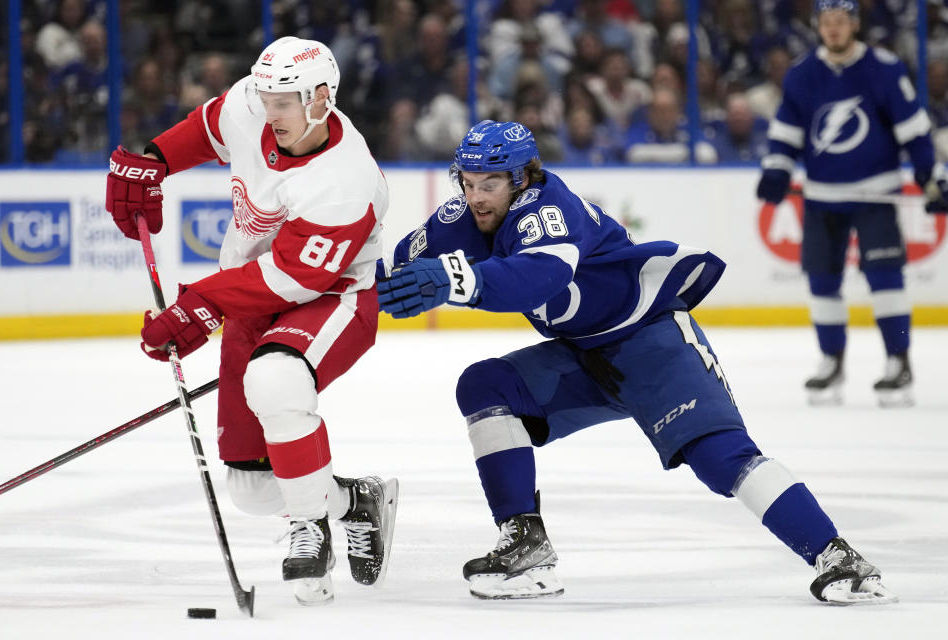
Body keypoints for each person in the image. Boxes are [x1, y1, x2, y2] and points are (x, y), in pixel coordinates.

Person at [377, 119, 896, 605]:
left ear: (522, 179)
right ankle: (525, 547)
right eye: (465, 182)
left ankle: (839, 557)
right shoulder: (464, 215)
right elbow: (395, 269)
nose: (474, 198)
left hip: (653, 345)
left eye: (488, 184)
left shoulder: (548, 207)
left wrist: (456, 281)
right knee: (485, 387)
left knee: (721, 459)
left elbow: (540, 277)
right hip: (584, 356)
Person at [104, 36, 398, 605]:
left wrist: (202, 301)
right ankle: (355, 501)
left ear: (320, 98)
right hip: (251, 299)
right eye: (265, 98)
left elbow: (295, 277)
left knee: (276, 378)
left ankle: (309, 530)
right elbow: (211, 125)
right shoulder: (254, 103)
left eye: (283, 102)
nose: (269, 112)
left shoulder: (344, 181)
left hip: (331, 300)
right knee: (252, 487)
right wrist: (154, 161)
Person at [756, 0, 948, 407]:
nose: (834, 29)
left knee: (885, 279)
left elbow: (913, 128)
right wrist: (777, 169)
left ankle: (898, 361)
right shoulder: (802, 74)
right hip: (823, 197)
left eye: (841, 21)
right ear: (818, 26)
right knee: (822, 283)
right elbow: (786, 132)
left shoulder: (884, 67)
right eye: (827, 22)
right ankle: (831, 360)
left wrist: (930, 175)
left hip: (874, 194)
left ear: (854, 24)